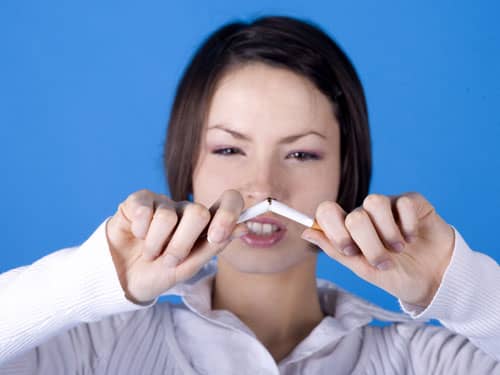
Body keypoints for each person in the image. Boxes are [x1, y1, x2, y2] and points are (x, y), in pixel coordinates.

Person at [1, 15, 499, 374]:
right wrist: (95, 276)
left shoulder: (427, 361)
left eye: (301, 154)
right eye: (227, 149)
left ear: (345, 171)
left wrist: (457, 284)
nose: (263, 187)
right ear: (187, 164)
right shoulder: (90, 351)